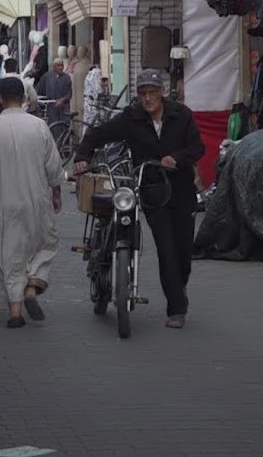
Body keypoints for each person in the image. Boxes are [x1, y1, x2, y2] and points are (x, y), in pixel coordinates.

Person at [74, 69, 205, 329]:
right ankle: (176, 308)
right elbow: (98, 134)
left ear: (162, 92)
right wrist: (82, 157)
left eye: (152, 93)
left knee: (183, 252)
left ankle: (179, 288)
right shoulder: (131, 118)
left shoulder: (182, 115)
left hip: (181, 191)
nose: (148, 99)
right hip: (152, 190)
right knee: (166, 249)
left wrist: (177, 158)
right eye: (143, 93)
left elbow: (197, 148)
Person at [0, 78, 64, 328]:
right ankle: (32, 286)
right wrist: (56, 193)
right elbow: (54, 166)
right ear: (24, 98)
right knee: (44, 244)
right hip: (37, 200)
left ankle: (15, 313)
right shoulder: (39, 126)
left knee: (8, 254)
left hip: (3, 202)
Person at [36, 58, 72, 124]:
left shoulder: (67, 77)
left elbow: (69, 93)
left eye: (62, 65)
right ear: (54, 66)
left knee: (63, 125)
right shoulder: (47, 76)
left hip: (63, 107)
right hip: (51, 107)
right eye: (58, 65)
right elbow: (39, 89)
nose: (61, 67)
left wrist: (63, 99)